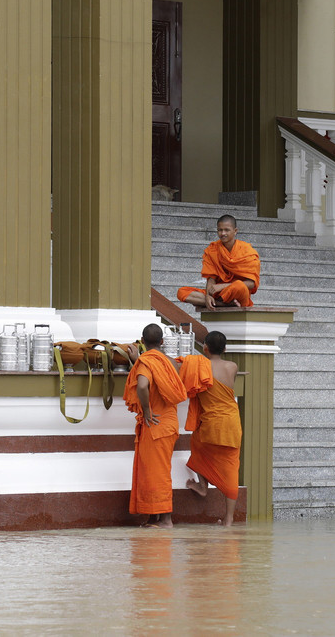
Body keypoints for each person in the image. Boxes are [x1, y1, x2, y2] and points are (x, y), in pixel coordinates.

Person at [123, 323, 187, 528]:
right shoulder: (170, 362)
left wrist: (146, 409)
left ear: (143, 341)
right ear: (162, 342)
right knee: (152, 471)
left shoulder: (146, 363)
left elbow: (143, 385)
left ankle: (166, 519)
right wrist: (139, 362)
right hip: (169, 422)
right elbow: (160, 377)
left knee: (157, 473)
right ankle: (153, 517)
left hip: (155, 423)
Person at [179, 331, 242, 526]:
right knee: (231, 466)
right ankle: (229, 518)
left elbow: (181, 370)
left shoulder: (198, 367)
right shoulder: (232, 366)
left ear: (205, 348)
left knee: (197, 446)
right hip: (231, 422)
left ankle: (203, 485)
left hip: (211, 423)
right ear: (225, 349)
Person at [176, 215, 260, 309]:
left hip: (237, 293)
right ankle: (223, 304)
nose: (223, 233)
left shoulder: (247, 251)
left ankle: (217, 303)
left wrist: (223, 286)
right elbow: (211, 278)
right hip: (219, 293)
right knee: (181, 292)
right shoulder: (213, 249)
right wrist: (208, 296)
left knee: (239, 285)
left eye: (226, 230)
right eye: (220, 230)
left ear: (235, 231)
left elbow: (251, 283)